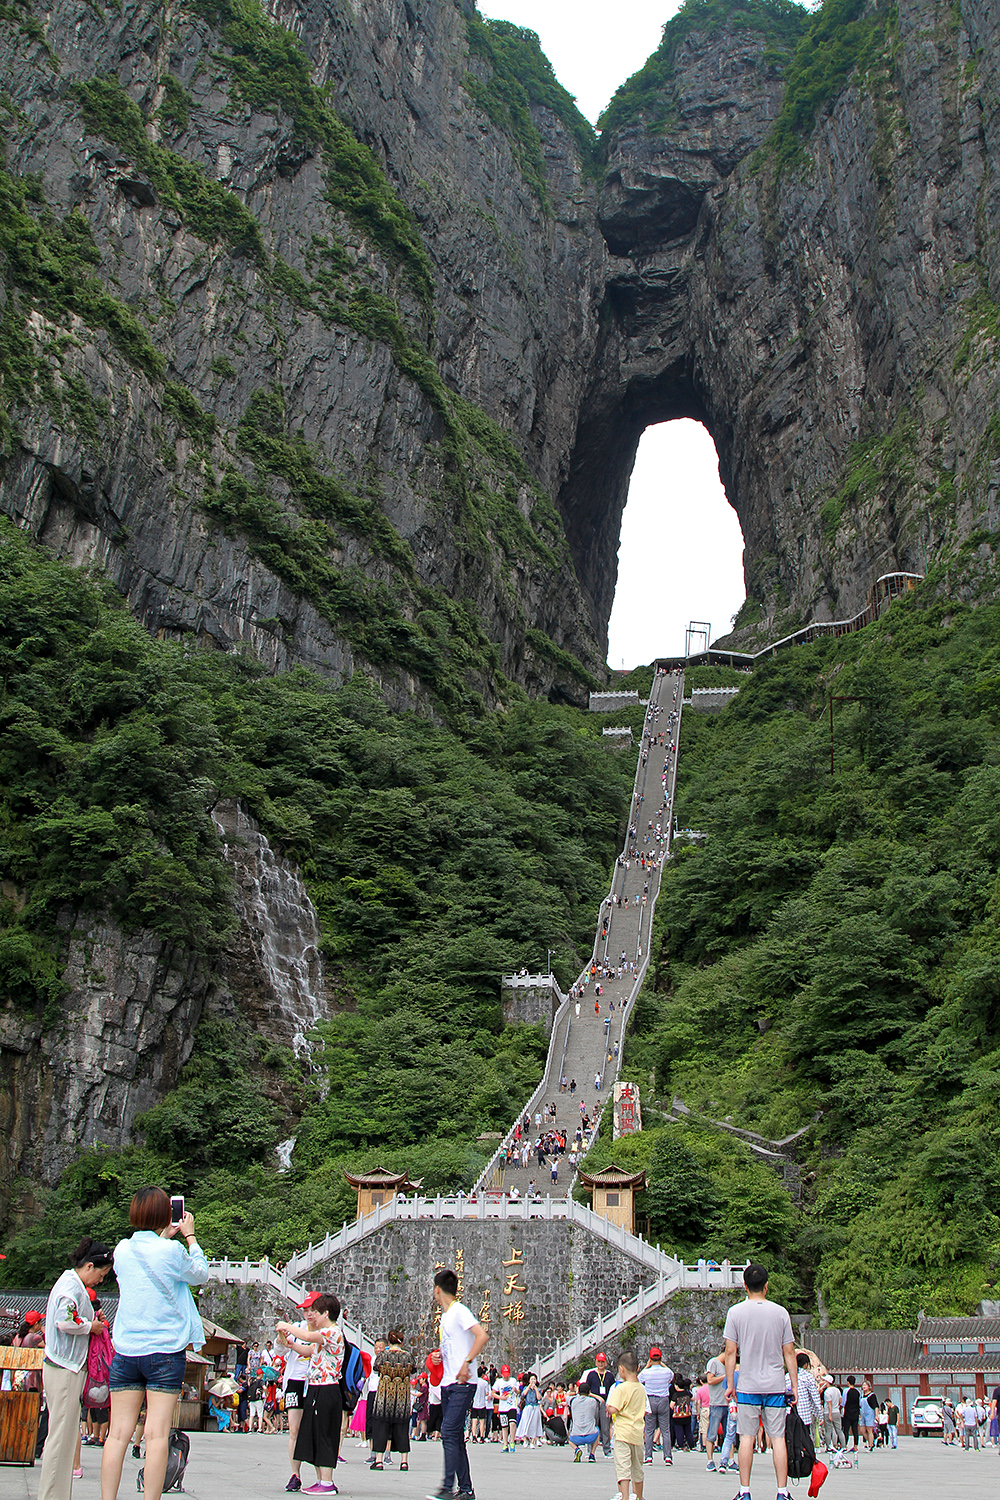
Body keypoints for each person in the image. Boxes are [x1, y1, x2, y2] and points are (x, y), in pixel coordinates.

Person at [101, 1190, 207, 1500]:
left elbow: (145, 1259)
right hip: (163, 1352)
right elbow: (198, 1275)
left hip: (126, 1352)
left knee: (117, 1434)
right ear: (166, 1215)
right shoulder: (172, 1251)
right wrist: (190, 1237)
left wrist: (163, 1234)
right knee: (157, 1434)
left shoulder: (121, 1250)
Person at [38, 1238, 112, 1500]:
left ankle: (57, 1495)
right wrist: (89, 1327)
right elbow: (63, 1321)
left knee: (66, 1438)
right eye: (101, 1274)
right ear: (90, 1266)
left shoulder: (71, 1283)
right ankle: (50, 1496)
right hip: (64, 1368)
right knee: (60, 1439)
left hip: (63, 1367)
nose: (100, 1280)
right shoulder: (71, 1287)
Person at [722, 1262, 797, 1500]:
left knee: (746, 1437)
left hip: (747, 1385)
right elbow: (789, 1352)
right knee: (777, 1438)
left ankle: (745, 1491)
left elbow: (731, 1352)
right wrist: (793, 1385)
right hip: (775, 1383)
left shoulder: (735, 1312)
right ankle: (782, 1492)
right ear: (766, 1286)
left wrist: (731, 1384)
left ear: (745, 1286)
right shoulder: (780, 1312)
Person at [427, 1268, 488, 1500]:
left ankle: (446, 1487)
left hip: (463, 1383)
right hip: (448, 1383)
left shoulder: (460, 1311)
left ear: (437, 1290)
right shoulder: (445, 1316)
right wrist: (438, 1357)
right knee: (455, 1437)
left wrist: (468, 1362)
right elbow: (453, 1347)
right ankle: (465, 1489)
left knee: (449, 1431)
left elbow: (481, 1335)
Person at [276, 1294, 344, 1495]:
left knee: (324, 1434)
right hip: (317, 1387)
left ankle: (327, 1482)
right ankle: (322, 1480)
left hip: (327, 1387)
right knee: (317, 1432)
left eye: (316, 1311)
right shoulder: (325, 1334)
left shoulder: (333, 1332)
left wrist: (287, 1326)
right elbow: (308, 1350)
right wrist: (291, 1344)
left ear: (325, 1313)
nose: (311, 1315)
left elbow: (307, 1337)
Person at [278, 1290, 319, 1492]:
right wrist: (280, 1340)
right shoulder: (297, 1328)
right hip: (295, 1382)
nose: (309, 1314)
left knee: (314, 1430)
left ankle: (322, 1477)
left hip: (314, 1383)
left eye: (312, 1310)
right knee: (293, 1429)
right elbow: (280, 1351)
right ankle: (295, 1474)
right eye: (306, 1311)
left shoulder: (324, 1331)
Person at [370, 1327, 413, 1470]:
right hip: (402, 1397)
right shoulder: (408, 1356)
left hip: (384, 1396)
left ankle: (379, 1460)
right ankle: (404, 1461)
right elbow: (413, 1370)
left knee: (381, 1427)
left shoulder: (383, 1356)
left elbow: (376, 1369)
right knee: (402, 1428)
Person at [606, 1350, 646, 1500]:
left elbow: (614, 1408)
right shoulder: (641, 1388)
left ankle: (625, 1496)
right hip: (637, 1433)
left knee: (623, 1466)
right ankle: (640, 1496)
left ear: (621, 1369)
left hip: (622, 1433)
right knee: (637, 1467)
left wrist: (609, 1407)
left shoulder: (621, 1388)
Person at [639, 1346, 673, 1465]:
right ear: (661, 1358)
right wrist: (662, 1364)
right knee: (665, 1430)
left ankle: (648, 1457)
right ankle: (668, 1456)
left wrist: (647, 1366)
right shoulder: (666, 1371)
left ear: (650, 1358)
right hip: (663, 1399)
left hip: (650, 1399)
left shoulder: (646, 1372)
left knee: (649, 1430)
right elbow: (671, 1376)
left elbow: (638, 1379)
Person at [582, 1351, 615, 1455]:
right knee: (592, 1425)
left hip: (605, 1402)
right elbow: (587, 1390)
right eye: (599, 1361)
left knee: (605, 1427)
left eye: (602, 1362)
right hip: (593, 1402)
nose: (601, 1364)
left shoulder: (609, 1375)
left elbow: (612, 1390)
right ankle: (590, 1450)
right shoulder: (591, 1374)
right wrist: (596, 1397)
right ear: (596, 1362)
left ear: (605, 1363)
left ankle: (607, 1449)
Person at [705, 1345, 728, 1470]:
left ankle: (729, 1460)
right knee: (712, 1433)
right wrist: (724, 1377)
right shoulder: (714, 1362)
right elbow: (710, 1380)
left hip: (727, 1403)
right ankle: (710, 1460)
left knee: (728, 1434)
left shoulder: (728, 1366)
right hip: (716, 1403)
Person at [568, 1379, 601, 1461]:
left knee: (569, 1436)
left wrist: (575, 1393)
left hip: (576, 1436)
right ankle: (592, 1454)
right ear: (589, 1392)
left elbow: (566, 1396)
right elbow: (602, 1400)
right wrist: (591, 1394)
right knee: (597, 1430)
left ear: (578, 1391)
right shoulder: (593, 1401)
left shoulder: (573, 1401)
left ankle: (576, 1449)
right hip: (591, 1436)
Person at [795, 1353, 823, 1444]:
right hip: (805, 1413)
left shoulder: (788, 1376)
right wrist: (819, 1412)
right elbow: (814, 1396)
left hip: (791, 1412)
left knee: (795, 1436)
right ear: (806, 1364)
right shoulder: (808, 1376)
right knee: (806, 1436)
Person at [494, 1363, 519, 1453]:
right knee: (504, 1427)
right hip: (502, 1407)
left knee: (512, 1423)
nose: (506, 1377)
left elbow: (519, 1391)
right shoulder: (499, 1382)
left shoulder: (513, 1380)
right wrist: (500, 1397)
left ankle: (512, 1441)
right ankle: (505, 1444)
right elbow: (493, 1393)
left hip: (512, 1405)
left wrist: (516, 1390)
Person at [515, 1373, 543, 1448]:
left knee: (534, 1425)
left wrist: (536, 1389)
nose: (533, 1381)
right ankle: (525, 1439)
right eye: (532, 1379)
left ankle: (532, 1441)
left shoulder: (539, 1389)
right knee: (526, 1423)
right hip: (528, 1407)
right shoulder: (525, 1388)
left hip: (535, 1407)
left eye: (534, 1379)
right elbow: (523, 1395)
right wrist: (529, 1386)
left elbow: (539, 1398)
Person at [822, 1378, 843, 1451]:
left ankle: (829, 1447)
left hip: (828, 1412)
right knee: (839, 1430)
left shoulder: (827, 1392)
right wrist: (837, 1406)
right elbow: (840, 1401)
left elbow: (829, 1404)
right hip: (836, 1411)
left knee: (828, 1430)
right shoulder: (837, 1390)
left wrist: (830, 1414)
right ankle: (843, 1446)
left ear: (827, 1382)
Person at [841, 1376, 861, 1452]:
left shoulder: (846, 1391)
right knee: (855, 1430)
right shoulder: (857, 1392)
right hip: (855, 1413)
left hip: (848, 1412)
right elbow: (860, 1403)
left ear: (848, 1382)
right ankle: (855, 1446)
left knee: (846, 1429)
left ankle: (845, 1445)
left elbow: (843, 1402)